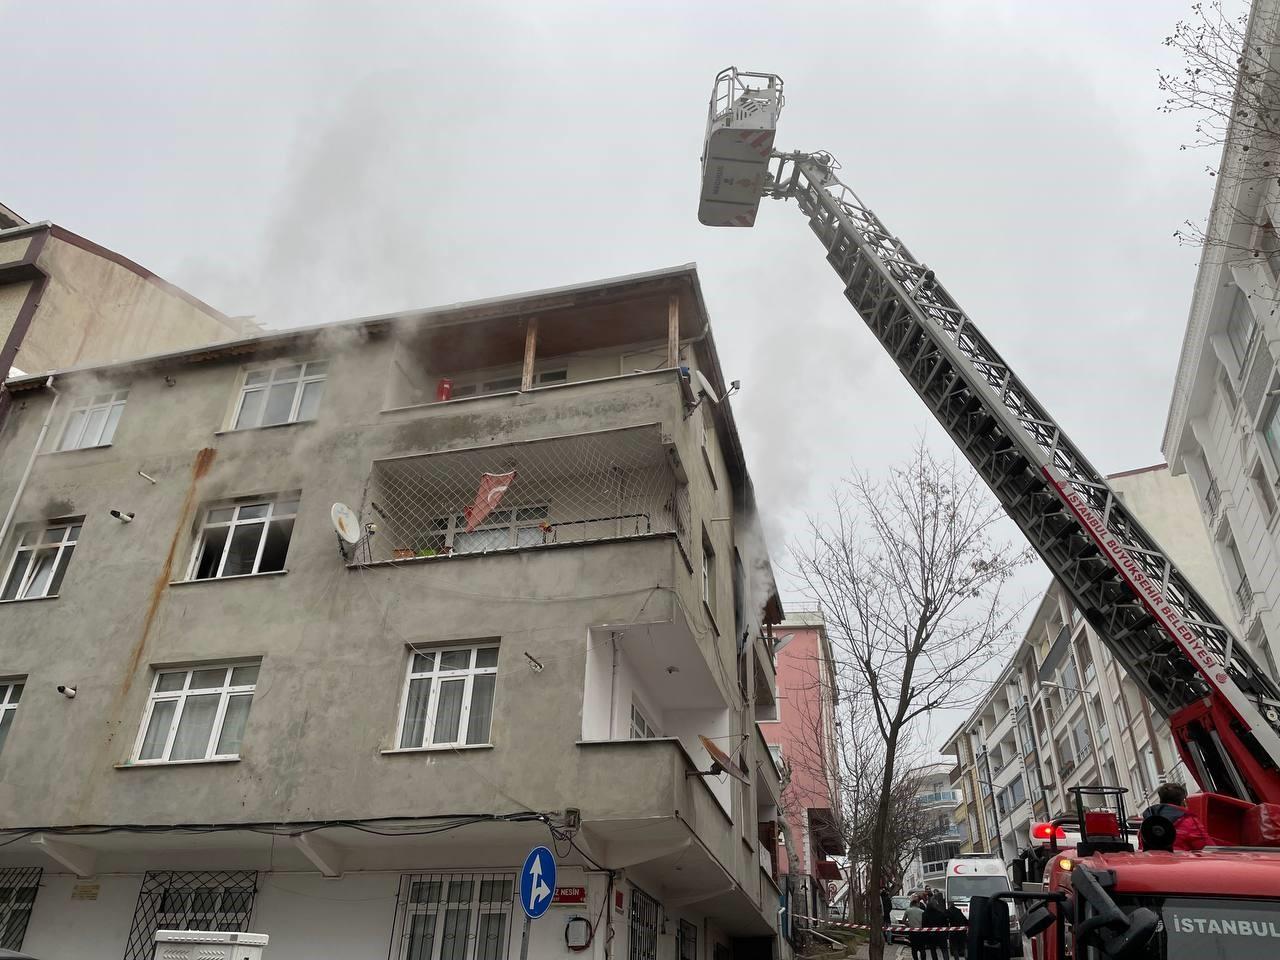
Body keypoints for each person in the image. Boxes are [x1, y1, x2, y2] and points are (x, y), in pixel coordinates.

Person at [1141, 782, 1216, 851]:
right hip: (1182, 864)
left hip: (1153, 864)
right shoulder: (1189, 821)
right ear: (1183, 801)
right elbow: (1209, 849)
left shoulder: (1147, 823)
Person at [922, 890, 949, 959]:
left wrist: (925, 935)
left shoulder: (925, 914)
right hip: (941, 935)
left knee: (933, 950)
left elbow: (924, 925)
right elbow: (946, 924)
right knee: (944, 950)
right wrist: (946, 933)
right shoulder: (940, 913)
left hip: (931, 935)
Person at [905, 893, 926, 960]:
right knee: (922, 948)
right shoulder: (922, 911)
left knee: (914, 949)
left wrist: (909, 924)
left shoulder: (908, 910)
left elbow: (903, 920)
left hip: (912, 931)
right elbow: (924, 921)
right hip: (920, 932)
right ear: (917, 904)